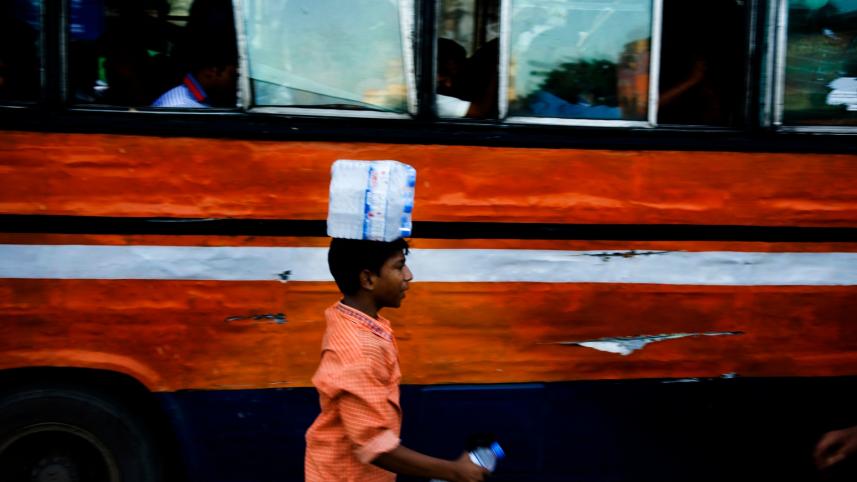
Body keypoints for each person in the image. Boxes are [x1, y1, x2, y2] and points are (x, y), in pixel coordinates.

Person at [305, 237, 488, 482]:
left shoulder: (348, 318)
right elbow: (374, 445)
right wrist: (454, 471)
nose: (408, 275)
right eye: (399, 266)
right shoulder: (360, 349)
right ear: (368, 279)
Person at [151, 0, 237, 108]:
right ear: (212, 70)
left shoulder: (203, 102)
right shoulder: (181, 108)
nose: (237, 83)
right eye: (233, 75)